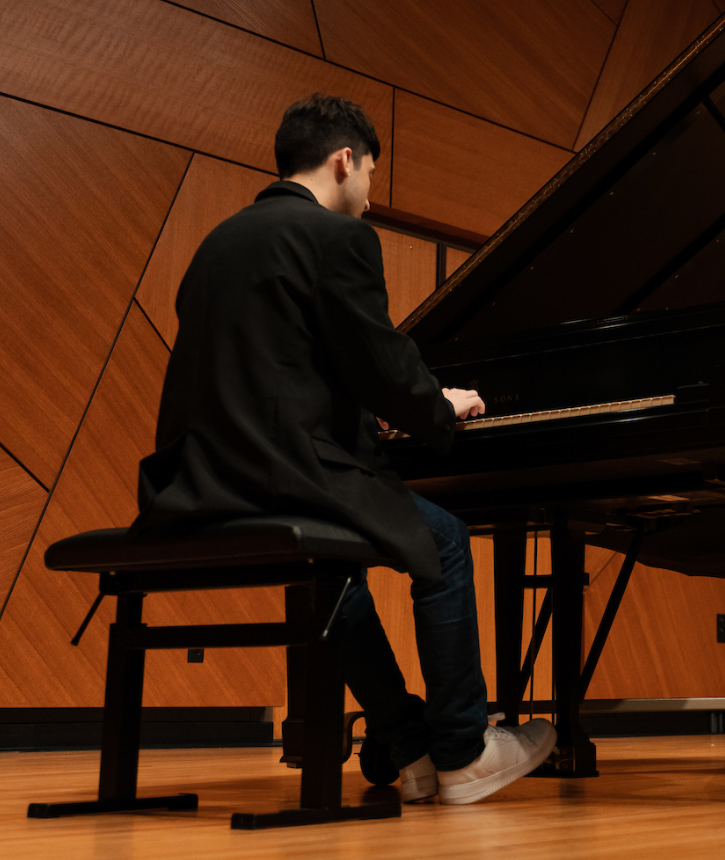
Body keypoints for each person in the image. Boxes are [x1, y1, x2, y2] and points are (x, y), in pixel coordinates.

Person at [132, 93, 555, 805]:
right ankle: (464, 749)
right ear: (344, 160)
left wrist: (362, 417)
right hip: (285, 478)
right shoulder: (338, 239)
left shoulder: (218, 244)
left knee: (340, 574)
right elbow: (380, 360)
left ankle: (408, 744)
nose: (369, 197)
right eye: (370, 178)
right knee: (446, 543)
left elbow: (274, 369)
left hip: (198, 482)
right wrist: (436, 404)